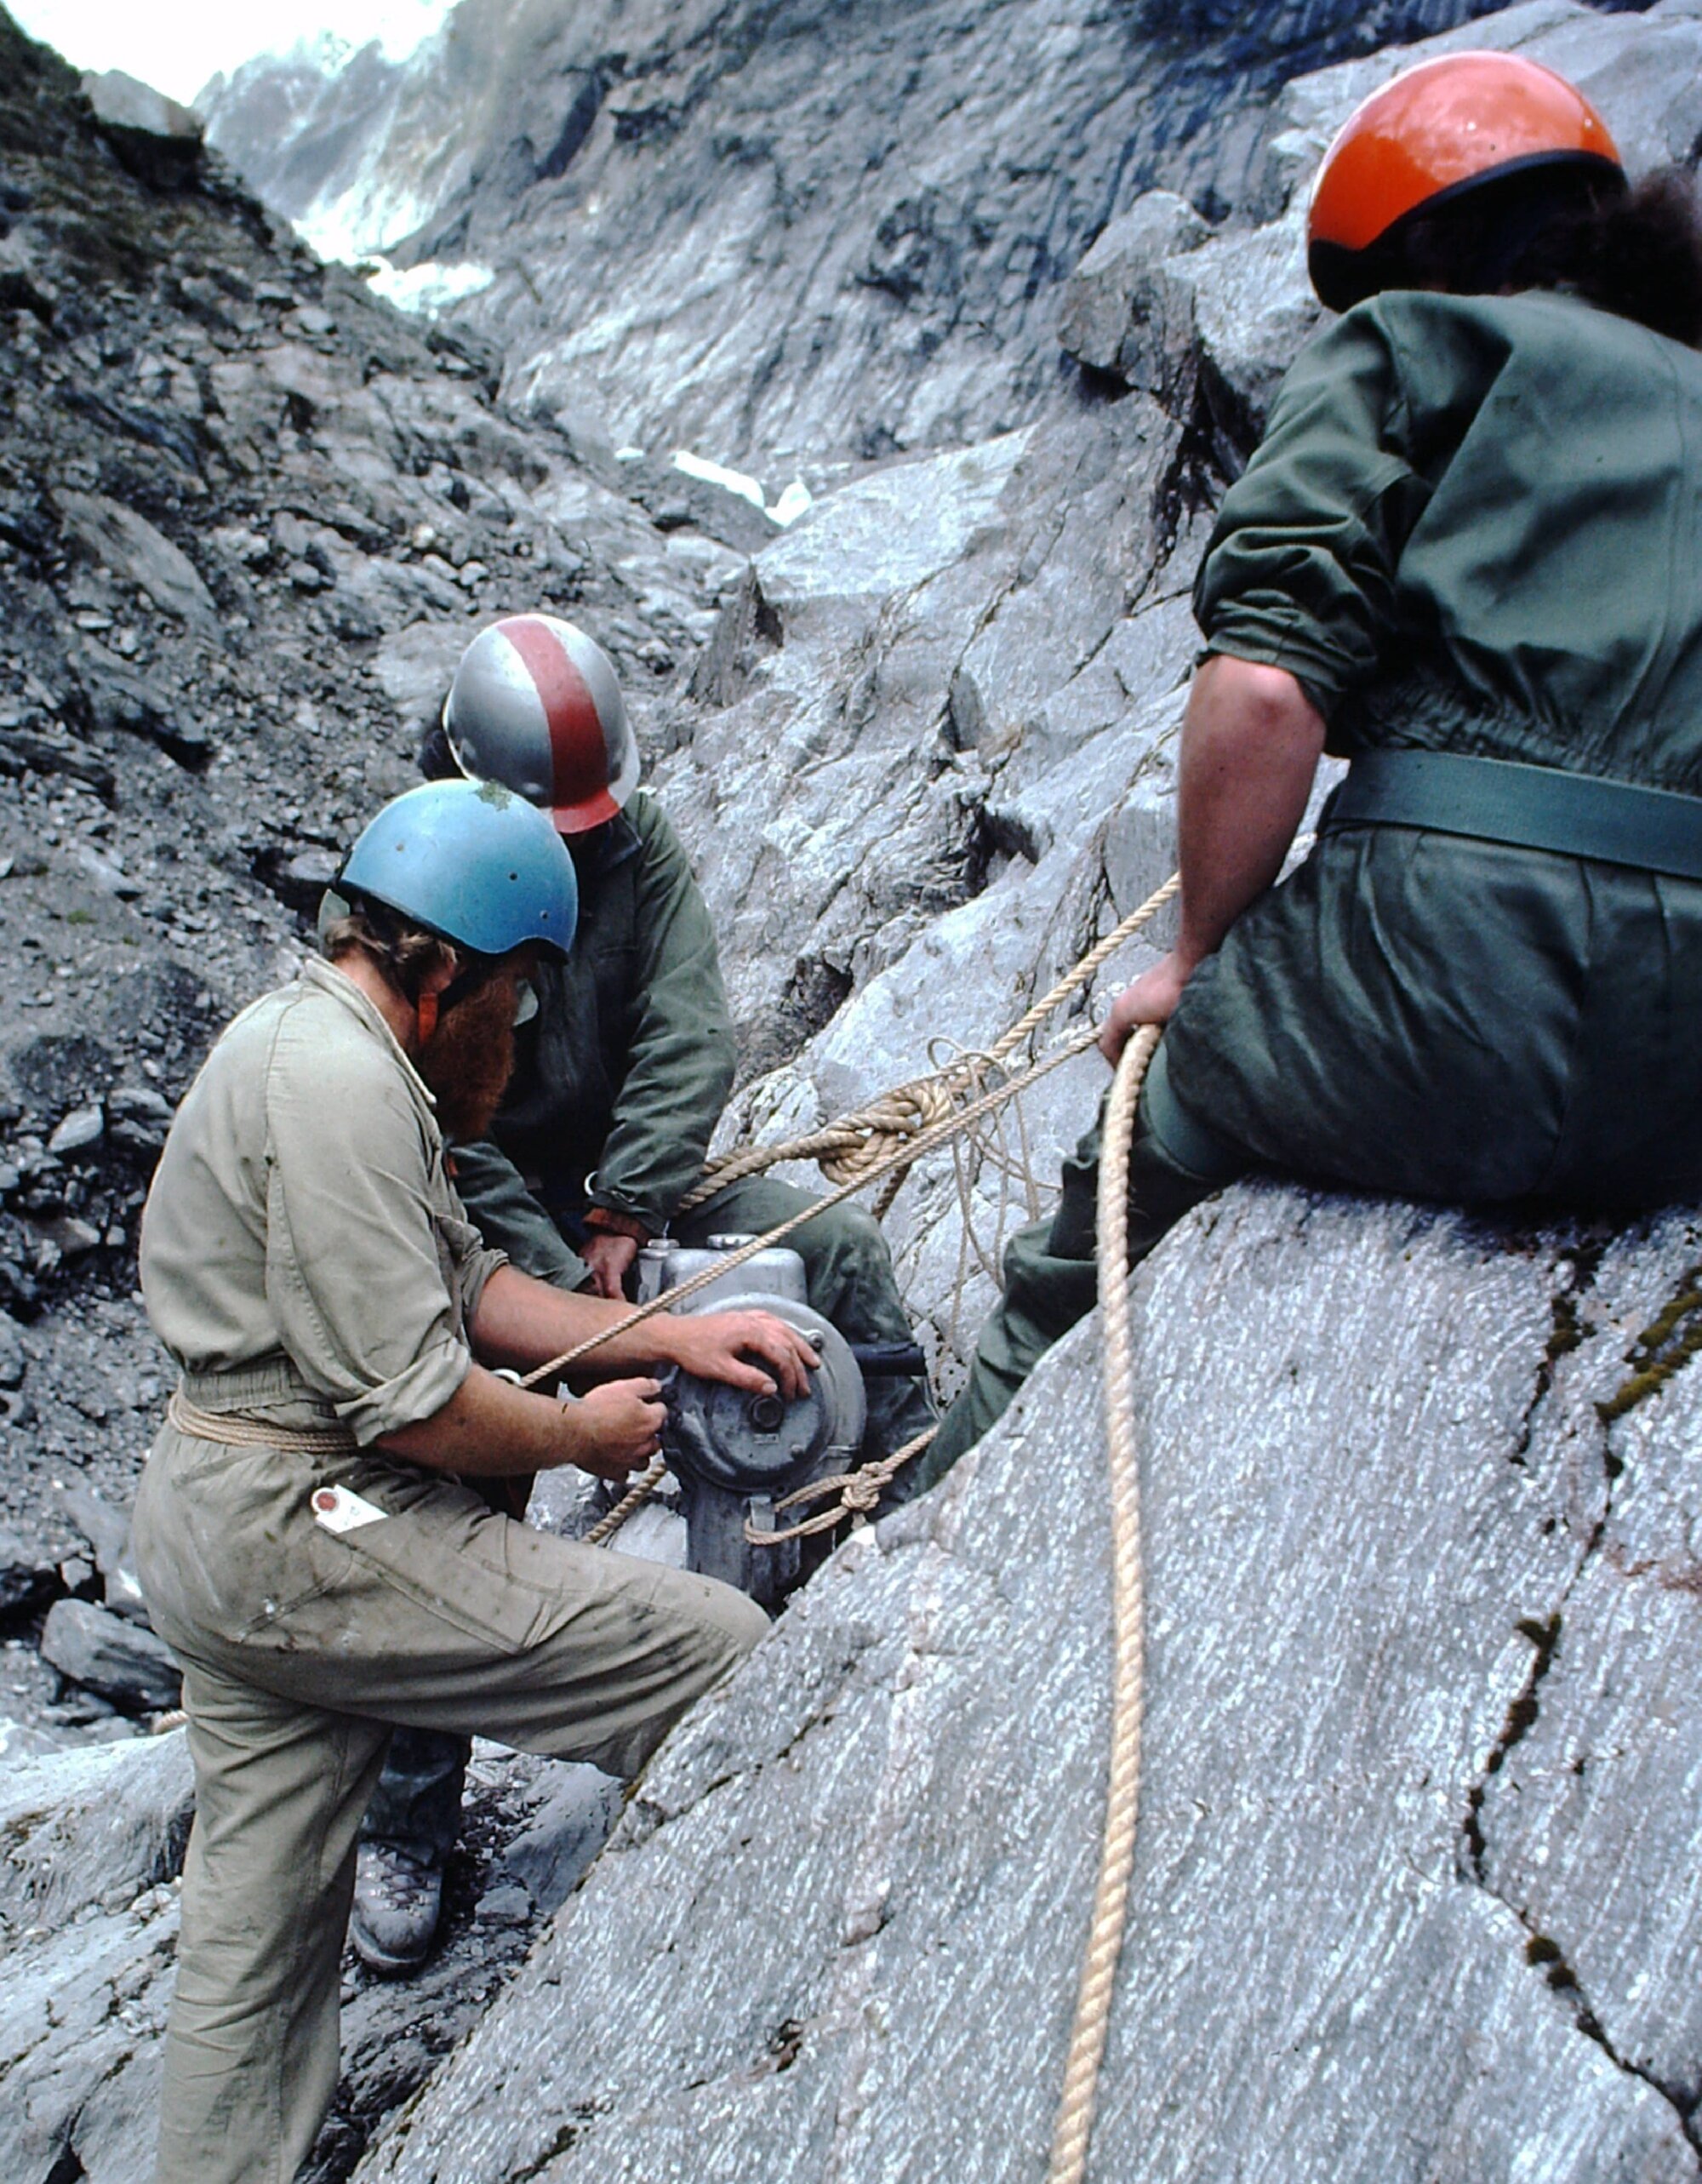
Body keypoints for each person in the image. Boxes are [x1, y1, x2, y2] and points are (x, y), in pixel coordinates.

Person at [918, 50, 1702, 1484]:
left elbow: (1267, 688)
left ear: (1421, 251)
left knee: (1136, 1146)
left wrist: (1203, 959)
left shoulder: (1418, 345)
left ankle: (924, 1519)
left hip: (1454, 969)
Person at [130, 778, 819, 2184]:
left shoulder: (322, 1053)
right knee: (719, 1655)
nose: (520, 1035)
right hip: (306, 1523)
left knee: (249, 1966)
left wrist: (671, 1331)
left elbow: (477, 1285)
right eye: (512, 1001)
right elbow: (423, 1407)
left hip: (221, 1532)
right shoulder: (336, 1086)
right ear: (438, 970)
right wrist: (583, 1436)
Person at [351, 613, 934, 1972]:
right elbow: (435, 1131)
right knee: (459, 1469)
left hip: (627, 1191)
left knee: (833, 1256)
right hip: (477, 1224)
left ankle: (891, 1528)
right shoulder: (408, 889)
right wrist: (575, 1294)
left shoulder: (637, 847)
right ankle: (409, 1814)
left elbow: (690, 1027)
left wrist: (630, 1197)